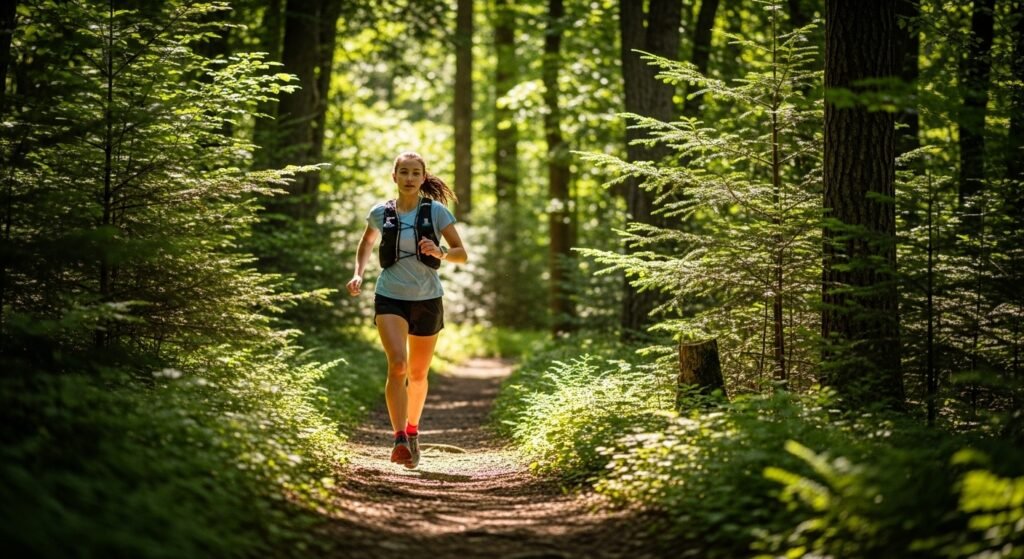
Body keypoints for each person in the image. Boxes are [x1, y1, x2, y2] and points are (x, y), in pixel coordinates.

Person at [347, 152, 467, 469]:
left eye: (416, 173)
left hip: (428, 298)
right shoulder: (380, 213)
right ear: (395, 176)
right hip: (390, 296)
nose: (410, 178)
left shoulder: (437, 212)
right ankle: (399, 437)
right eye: (404, 172)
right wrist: (358, 272)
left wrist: (440, 252)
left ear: (423, 178)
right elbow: (366, 244)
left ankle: (413, 430)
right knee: (398, 365)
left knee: (417, 374)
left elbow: (461, 254)